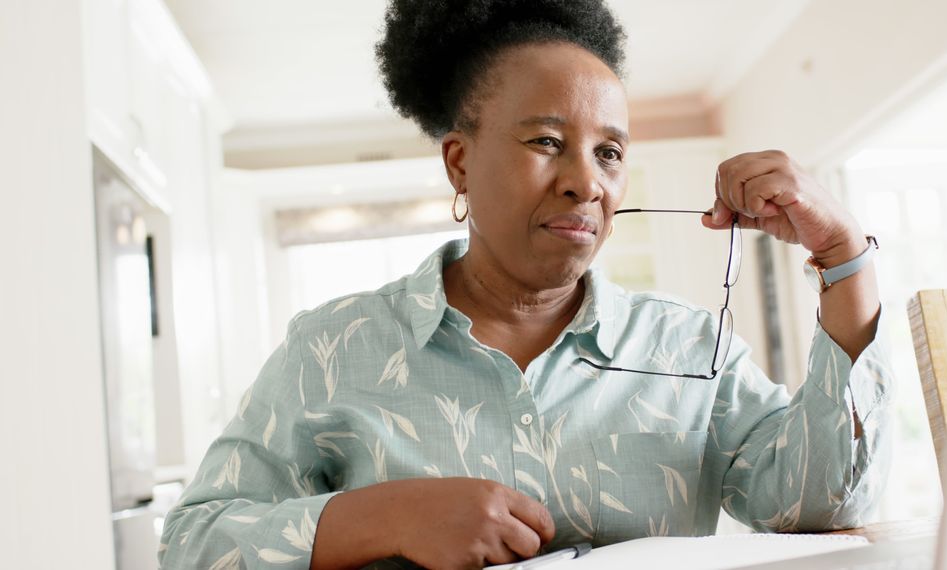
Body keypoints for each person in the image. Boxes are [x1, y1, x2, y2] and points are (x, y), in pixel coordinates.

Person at [159, 1, 893, 568]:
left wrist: (842, 257)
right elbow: (192, 545)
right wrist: (385, 517)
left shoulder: (690, 345)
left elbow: (827, 504)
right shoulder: (331, 347)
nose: (585, 182)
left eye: (609, 152)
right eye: (546, 141)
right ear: (459, 163)